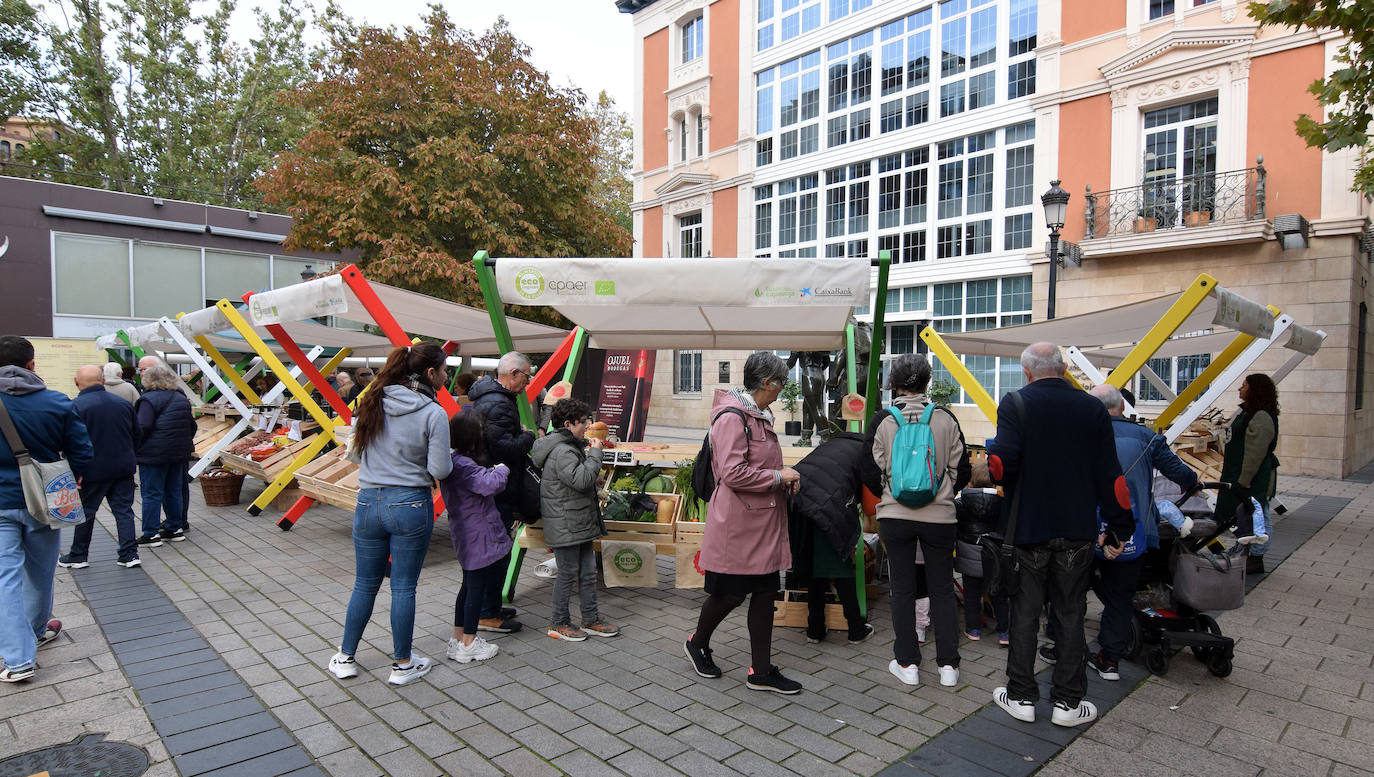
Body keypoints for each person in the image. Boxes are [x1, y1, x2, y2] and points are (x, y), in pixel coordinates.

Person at [987, 342, 1133, 728]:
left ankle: (1020, 697)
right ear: (1065, 369)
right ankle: (1068, 704)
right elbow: (1110, 474)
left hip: (1028, 529)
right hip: (1076, 530)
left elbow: (1002, 467)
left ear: (1027, 372)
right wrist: (1120, 526)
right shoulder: (1092, 408)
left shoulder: (1015, 403)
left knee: (1025, 613)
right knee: (1070, 614)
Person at [328, 343, 452, 686]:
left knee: (364, 584)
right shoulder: (433, 412)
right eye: (444, 370)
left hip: (368, 501)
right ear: (429, 373)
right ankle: (402, 664)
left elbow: (356, 449)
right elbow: (440, 468)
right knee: (403, 587)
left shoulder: (372, 400)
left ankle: (345, 657)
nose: (446, 376)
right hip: (410, 503)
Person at [684, 352, 803, 694]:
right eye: (781, 383)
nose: (783, 390)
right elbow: (734, 473)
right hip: (737, 526)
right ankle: (697, 642)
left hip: (762, 524)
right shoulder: (733, 417)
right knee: (730, 595)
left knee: (766, 594)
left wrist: (782, 479)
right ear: (768, 383)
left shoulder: (758, 415)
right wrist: (779, 477)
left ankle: (761, 672)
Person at [865, 353, 971, 688]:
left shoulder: (883, 420)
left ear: (893, 384)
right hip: (940, 517)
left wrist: (891, 491)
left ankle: (908, 664)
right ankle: (949, 667)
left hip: (895, 517)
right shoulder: (945, 418)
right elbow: (963, 471)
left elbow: (869, 470)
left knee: (902, 588)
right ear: (927, 383)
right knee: (941, 587)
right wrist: (943, 492)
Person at [1083, 383, 1198, 680]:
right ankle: (1109, 660)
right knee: (1121, 596)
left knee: (1071, 590)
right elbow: (1182, 474)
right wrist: (1192, 481)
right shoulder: (1148, 438)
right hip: (1133, 530)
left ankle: (1061, 647)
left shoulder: (1077, 436)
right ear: (1122, 406)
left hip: (1085, 529)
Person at [0, 336, 94, 682]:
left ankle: (18, 659)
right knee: (40, 572)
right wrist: (76, 476)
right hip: (44, 500)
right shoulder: (55, 402)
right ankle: (37, 630)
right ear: (31, 365)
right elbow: (82, 452)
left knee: (4, 578)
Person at [531, 397, 620, 641]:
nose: (588, 426)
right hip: (565, 522)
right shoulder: (562, 450)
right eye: (583, 422)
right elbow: (580, 480)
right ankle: (558, 622)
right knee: (568, 573)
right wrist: (595, 454)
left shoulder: (569, 445)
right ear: (568, 424)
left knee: (588, 573)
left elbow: (576, 480)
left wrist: (593, 475)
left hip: (577, 520)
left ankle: (590, 619)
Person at [467, 353, 536, 633]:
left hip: (492, 486)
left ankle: (491, 605)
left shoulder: (491, 399)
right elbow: (504, 448)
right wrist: (528, 436)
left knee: (497, 549)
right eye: (527, 376)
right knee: (498, 551)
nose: (528, 382)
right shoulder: (499, 404)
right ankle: (486, 614)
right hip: (498, 489)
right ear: (514, 373)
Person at [787, 430, 873, 644]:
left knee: (816, 566)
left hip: (797, 498)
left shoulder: (834, 444)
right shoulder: (867, 451)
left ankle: (814, 628)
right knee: (839, 566)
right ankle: (855, 628)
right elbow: (869, 495)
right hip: (826, 504)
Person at [440, 411, 510, 665]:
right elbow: (489, 484)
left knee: (468, 585)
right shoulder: (465, 466)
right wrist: (502, 469)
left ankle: (458, 638)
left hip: (465, 531)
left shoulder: (452, 461)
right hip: (477, 533)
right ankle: (469, 641)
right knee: (475, 588)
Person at [58, 365, 142, 569]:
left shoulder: (75, 406)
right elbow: (137, 434)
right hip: (123, 467)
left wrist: (74, 472)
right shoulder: (123, 404)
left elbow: (69, 442)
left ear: (76, 382)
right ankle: (129, 554)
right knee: (123, 511)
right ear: (103, 381)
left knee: (86, 512)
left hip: (90, 470)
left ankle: (78, 555)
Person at [1214, 374, 1281, 575]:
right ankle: (1246, 551)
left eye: (1244, 386)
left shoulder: (1260, 416)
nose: (1239, 389)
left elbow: (1256, 452)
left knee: (1257, 514)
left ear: (1255, 390)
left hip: (1251, 478)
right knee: (1247, 513)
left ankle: (1256, 556)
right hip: (1240, 474)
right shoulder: (1250, 412)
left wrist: (1245, 479)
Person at [134, 364, 196, 546]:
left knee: (152, 493)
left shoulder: (148, 399)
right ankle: (174, 528)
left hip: (154, 454)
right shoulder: (180, 398)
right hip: (178, 453)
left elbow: (142, 427)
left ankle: (150, 533)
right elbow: (192, 426)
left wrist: (136, 445)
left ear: (148, 380)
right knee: (174, 490)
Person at [786, 351, 831, 446]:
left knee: (816, 408)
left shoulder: (800, 342)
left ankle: (827, 439)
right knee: (807, 408)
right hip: (819, 374)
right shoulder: (820, 344)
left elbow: (790, 363)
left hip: (809, 375)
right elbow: (827, 361)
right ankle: (805, 438)